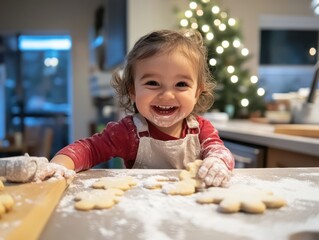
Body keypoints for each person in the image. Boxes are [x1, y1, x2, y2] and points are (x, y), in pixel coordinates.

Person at [49, 29, 235, 187]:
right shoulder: (129, 133)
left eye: (181, 84)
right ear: (132, 91)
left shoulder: (201, 130)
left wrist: (217, 161)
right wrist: (59, 165)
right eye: (153, 83)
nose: (167, 95)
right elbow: (89, 149)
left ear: (197, 92)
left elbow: (219, 151)